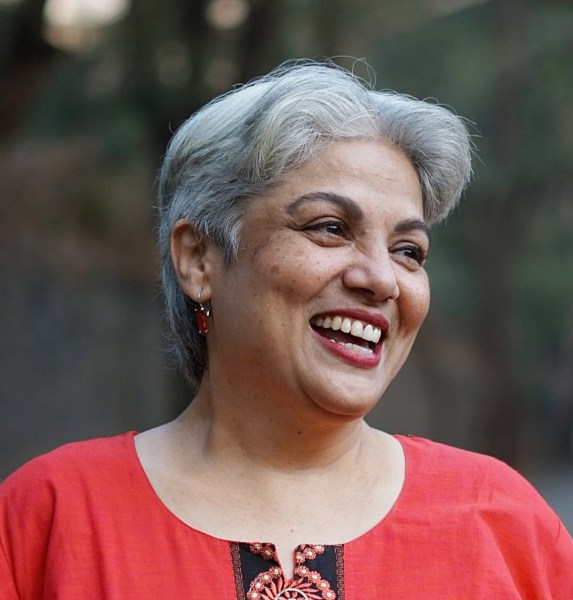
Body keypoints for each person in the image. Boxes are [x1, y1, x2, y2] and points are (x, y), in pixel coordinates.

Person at [1, 60, 572, 599]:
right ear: (199, 260)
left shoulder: (504, 524)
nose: (382, 279)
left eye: (408, 251)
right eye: (330, 228)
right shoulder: (49, 521)